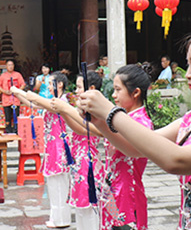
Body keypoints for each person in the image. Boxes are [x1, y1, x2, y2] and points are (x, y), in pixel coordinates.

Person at [79, 22, 191, 229]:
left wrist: (111, 113)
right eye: (188, 64)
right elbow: (136, 149)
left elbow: (177, 160)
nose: (188, 74)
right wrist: (101, 122)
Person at [52, 66, 153, 230]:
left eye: (118, 90)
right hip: (111, 192)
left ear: (135, 93)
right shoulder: (123, 119)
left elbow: (112, 138)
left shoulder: (140, 123)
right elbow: (87, 129)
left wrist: (66, 109)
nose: (113, 95)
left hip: (128, 195)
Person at [11, 72, 72, 228]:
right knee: (54, 185)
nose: (49, 87)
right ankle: (56, 217)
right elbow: (33, 104)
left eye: (51, 84)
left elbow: (37, 101)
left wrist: (21, 92)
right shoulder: (53, 100)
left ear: (60, 84)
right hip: (53, 147)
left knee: (59, 186)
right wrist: (17, 93)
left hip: (59, 148)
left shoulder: (61, 102)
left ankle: (60, 220)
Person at [50, 71, 104, 230]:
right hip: (79, 161)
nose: (77, 90)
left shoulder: (97, 111)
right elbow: (78, 128)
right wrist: (65, 111)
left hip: (88, 162)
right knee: (81, 208)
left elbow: (86, 129)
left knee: (90, 209)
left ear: (91, 88)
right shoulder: (81, 109)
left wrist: (65, 109)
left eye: (80, 87)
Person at [0, 60, 26, 133]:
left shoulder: (18, 75)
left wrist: (17, 91)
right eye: (9, 65)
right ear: (6, 66)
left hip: (15, 99)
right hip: (6, 100)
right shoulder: (3, 75)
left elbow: (23, 84)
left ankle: (16, 130)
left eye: (12, 65)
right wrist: (4, 91)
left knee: (16, 116)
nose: (10, 66)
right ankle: (8, 130)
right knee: (8, 117)